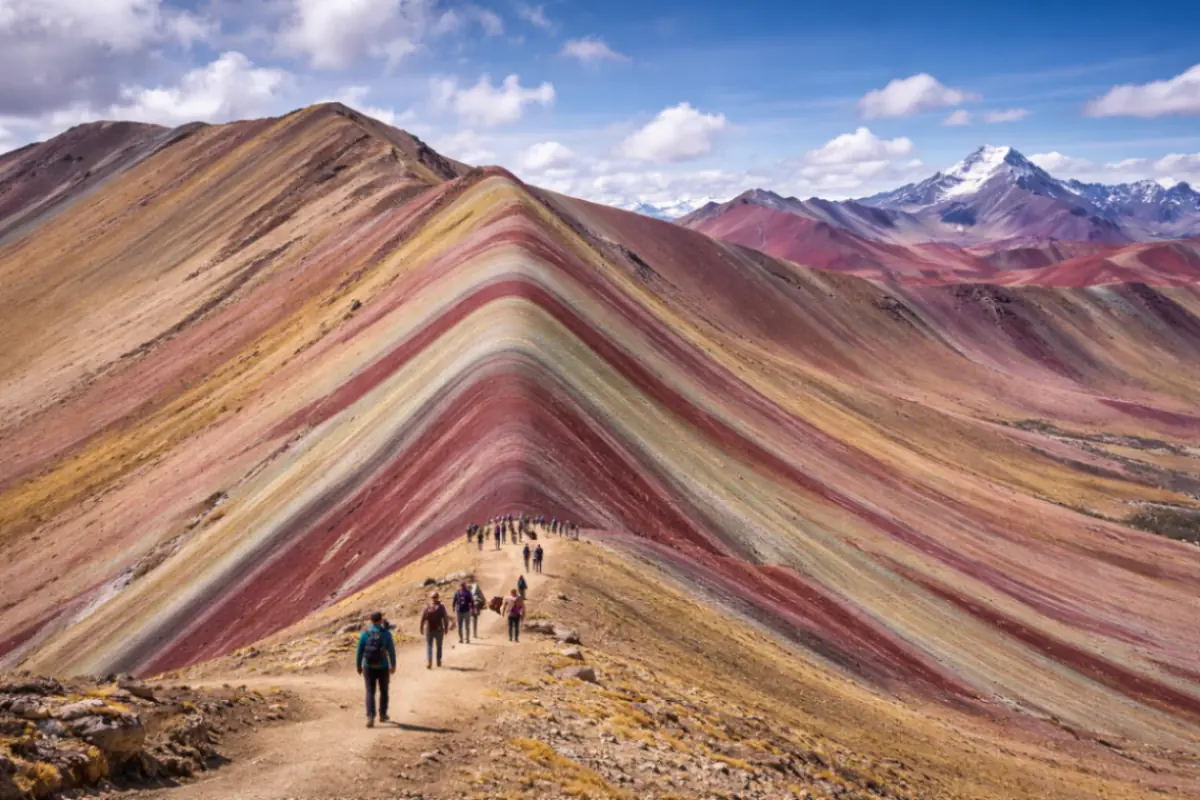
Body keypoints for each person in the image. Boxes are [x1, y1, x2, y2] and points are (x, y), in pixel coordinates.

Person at [356, 611, 396, 728]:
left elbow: (359, 651)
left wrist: (359, 665)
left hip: (368, 667)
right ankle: (383, 714)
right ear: (381, 620)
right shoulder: (386, 634)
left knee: (370, 691)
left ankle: (370, 716)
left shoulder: (365, 634)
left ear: (371, 621)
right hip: (383, 667)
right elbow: (391, 651)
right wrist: (393, 665)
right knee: (384, 690)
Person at [420, 592, 450, 669]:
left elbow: (422, 618)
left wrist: (421, 628)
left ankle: (429, 662)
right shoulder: (441, 607)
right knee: (439, 646)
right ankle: (438, 661)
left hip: (429, 630)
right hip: (439, 630)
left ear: (431, 598)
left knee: (429, 646)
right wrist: (446, 628)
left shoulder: (427, 607)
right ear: (438, 597)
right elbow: (446, 619)